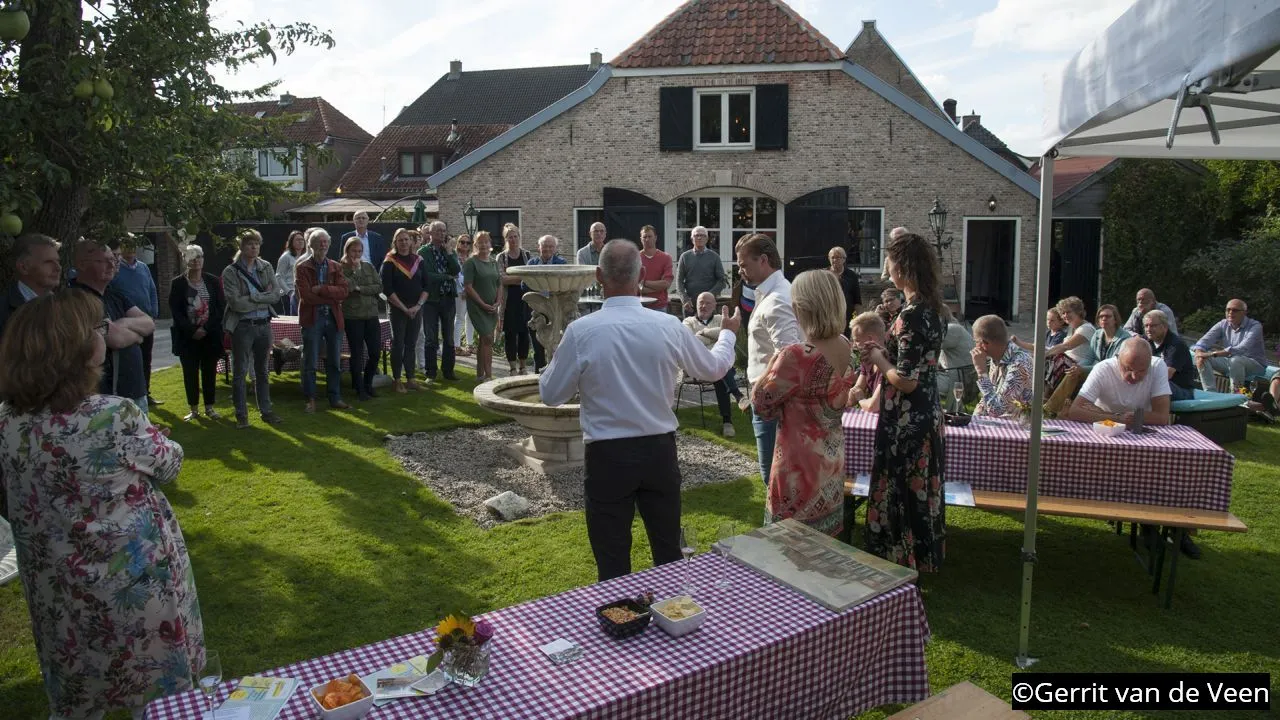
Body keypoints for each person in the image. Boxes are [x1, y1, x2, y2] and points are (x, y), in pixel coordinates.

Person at [0, 290, 203, 720]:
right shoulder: (114, 416)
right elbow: (169, 463)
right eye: (97, 327)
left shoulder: (6, 422)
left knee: (78, 698)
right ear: (74, 347)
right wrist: (155, 439)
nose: (105, 333)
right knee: (160, 698)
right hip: (132, 584)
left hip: (56, 587)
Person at [539, 239, 741, 581]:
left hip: (608, 455)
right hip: (658, 451)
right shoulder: (667, 326)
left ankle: (622, 627)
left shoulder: (581, 332)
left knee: (613, 560)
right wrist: (728, 336)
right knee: (668, 554)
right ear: (642, 274)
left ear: (598, 276)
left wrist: (556, 361)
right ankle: (673, 624)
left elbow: (550, 393)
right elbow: (713, 369)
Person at [863, 232, 948, 571]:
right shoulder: (934, 308)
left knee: (903, 490)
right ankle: (918, 558)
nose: (886, 266)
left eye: (889, 260)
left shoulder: (912, 314)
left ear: (902, 266)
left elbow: (907, 380)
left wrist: (877, 359)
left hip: (907, 418)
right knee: (920, 490)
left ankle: (900, 559)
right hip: (927, 411)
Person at [751, 270, 855, 536]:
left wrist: (773, 361)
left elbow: (761, 404)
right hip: (830, 465)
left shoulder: (796, 355)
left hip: (797, 471)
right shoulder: (845, 345)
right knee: (825, 552)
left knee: (787, 553)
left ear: (798, 308)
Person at [736, 233, 802, 487]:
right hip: (769, 398)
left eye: (743, 264)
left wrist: (757, 391)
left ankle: (784, 527)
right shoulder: (770, 293)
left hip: (772, 402)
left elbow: (789, 357)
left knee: (774, 480)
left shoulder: (777, 299)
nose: (740, 270)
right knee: (776, 479)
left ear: (763, 260)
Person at [71, 239, 155, 415]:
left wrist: (121, 324)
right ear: (81, 264)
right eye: (103, 260)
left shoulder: (114, 294)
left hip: (135, 390)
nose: (112, 265)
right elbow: (115, 339)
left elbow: (148, 324)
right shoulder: (76, 299)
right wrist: (136, 335)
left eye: (114, 259)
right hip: (104, 396)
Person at [221, 229, 284, 429]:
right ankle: (242, 416)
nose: (254, 247)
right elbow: (235, 304)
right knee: (239, 373)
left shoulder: (265, 266)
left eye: (257, 243)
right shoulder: (230, 272)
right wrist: (260, 297)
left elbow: (275, 295)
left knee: (263, 371)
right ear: (242, 246)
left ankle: (266, 411)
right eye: (250, 244)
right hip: (243, 327)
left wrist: (252, 297)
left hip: (264, 325)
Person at [295, 228, 350, 412]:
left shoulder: (336, 266)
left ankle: (335, 398)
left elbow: (344, 292)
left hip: (334, 319)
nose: (323, 245)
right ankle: (310, 399)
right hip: (312, 319)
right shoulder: (302, 267)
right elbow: (307, 297)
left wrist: (323, 289)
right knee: (310, 362)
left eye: (325, 242)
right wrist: (331, 295)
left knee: (334, 361)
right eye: (319, 242)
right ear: (310, 245)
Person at [169, 244, 226, 421]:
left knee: (209, 372)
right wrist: (192, 330)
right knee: (190, 373)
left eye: (199, 256)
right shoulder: (178, 283)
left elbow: (220, 308)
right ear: (185, 259)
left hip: (210, 335)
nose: (196, 260)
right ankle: (194, 409)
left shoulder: (213, 281)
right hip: (188, 337)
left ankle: (210, 407)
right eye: (192, 257)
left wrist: (206, 328)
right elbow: (176, 311)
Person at [109, 236, 162, 407]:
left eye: (134, 246)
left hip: (145, 321)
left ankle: (146, 392)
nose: (131, 249)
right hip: (127, 325)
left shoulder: (143, 267)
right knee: (131, 359)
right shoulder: (116, 269)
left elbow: (152, 290)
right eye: (127, 246)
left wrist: (153, 312)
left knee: (146, 360)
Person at [1067, 337, 1171, 425]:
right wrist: (1119, 418)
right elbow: (1075, 411)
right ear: (1117, 359)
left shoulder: (1157, 366)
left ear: (1150, 362)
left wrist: (1105, 415)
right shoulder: (1103, 369)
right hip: (1106, 430)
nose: (1134, 376)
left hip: (1139, 432)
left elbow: (1163, 417)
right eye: (1129, 369)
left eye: (1142, 371)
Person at [683, 291, 745, 436]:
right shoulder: (688, 322)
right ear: (695, 304)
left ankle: (727, 421)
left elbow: (731, 332)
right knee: (719, 369)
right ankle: (736, 399)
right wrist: (715, 334)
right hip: (699, 367)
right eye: (700, 302)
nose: (703, 306)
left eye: (708, 303)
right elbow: (690, 341)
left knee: (720, 370)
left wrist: (702, 333)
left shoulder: (720, 318)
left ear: (715, 305)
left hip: (721, 366)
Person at [381, 228, 428, 392]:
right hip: (398, 309)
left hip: (416, 308)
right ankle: (397, 379)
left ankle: (411, 378)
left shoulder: (419, 260)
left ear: (411, 241)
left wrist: (418, 306)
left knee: (411, 344)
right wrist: (403, 307)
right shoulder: (389, 261)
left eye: (406, 239)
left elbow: (426, 286)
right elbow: (387, 288)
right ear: (395, 242)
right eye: (400, 240)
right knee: (398, 344)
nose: (404, 243)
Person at [416, 221, 461, 382]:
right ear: (430, 233)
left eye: (444, 231)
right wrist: (447, 277)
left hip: (448, 297)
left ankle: (448, 371)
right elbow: (427, 275)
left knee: (449, 336)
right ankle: (431, 372)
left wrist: (449, 253)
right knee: (431, 337)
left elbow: (456, 270)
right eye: (438, 231)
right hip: (431, 300)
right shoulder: (424, 252)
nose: (442, 234)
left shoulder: (449, 250)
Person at [1193, 299, 1267, 392]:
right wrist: (1199, 353)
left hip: (1255, 365)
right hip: (1230, 360)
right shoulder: (1223, 324)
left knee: (1236, 360)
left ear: (1244, 313)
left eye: (1235, 310)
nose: (1230, 312)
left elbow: (1241, 349)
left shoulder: (1255, 326)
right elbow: (1203, 342)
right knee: (1202, 358)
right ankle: (1211, 393)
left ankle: (1236, 396)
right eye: (1228, 310)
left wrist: (1211, 354)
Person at [340, 237, 382, 401]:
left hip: (371, 314)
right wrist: (355, 273)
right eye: (353, 251)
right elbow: (347, 287)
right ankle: (359, 388)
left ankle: (368, 383)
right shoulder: (341, 268)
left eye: (359, 251)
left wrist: (360, 288)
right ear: (347, 251)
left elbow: (379, 286)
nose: (356, 254)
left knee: (374, 353)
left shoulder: (369, 266)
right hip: (353, 316)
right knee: (357, 354)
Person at [970, 314, 1034, 418]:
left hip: (1015, 428)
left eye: (976, 342)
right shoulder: (997, 357)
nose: (975, 346)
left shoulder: (1019, 365)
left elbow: (996, 410)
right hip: (994, 424)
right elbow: (988, 398)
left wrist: (981, 372)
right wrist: (974, 418)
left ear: (984, 343)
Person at [0, 233, 61, 340]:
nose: (58, 268)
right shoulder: (3, 311)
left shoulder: (66, 307)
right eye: (48, 262)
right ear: (24, 267)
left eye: (58, 261)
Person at [1043, 296, 1097, 415]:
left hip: (1080, 364)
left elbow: (1066, 346)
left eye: (1068, 312)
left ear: (1078, 312)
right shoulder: (1072, 328)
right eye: (1063, 313)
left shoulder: (1086, 328)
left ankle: (1047, 403)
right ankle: (1040, 398)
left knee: (1056, 358)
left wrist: (1044, 355)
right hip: (1067, 361)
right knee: (1050, 360)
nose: (1065, 315)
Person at [526, 234, 567, 372]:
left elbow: (565, 285)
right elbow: (523, 284)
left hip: (555, 308)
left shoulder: (561, 264)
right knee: (538, 345)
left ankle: (557, 373)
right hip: (538, 308)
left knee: (556, 344)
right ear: (539, 247)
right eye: (544, 246)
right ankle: (537, 376)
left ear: (555, 248)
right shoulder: (532, 264)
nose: (547, 249)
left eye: (551, 246)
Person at [463, 231, 501, 383]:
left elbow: (499, 284)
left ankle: (479, 374)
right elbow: (468, 287)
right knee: (487, 338)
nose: (484, 245)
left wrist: (498, 302)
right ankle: (489, 375)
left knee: (484, 340)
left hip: (492, 307)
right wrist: (482, 304)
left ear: (490, 244)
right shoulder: (470, 263)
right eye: (480, 242)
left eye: (486, 242)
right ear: (475, 245)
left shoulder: (493, 262)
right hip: (478, 307)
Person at [497, 223, 534, 374]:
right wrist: (522, 278)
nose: (513, 239)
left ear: (519, 237)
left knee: (525, 333)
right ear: (505, 239)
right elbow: (502, 279)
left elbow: (532, 277)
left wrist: (513, 277)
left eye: (515, 236)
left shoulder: (527, 255)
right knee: (510, 334)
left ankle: (523, 366)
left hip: (525, 300)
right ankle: (512, 367)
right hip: (509, 301)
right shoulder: (501, 257)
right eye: (509, 237)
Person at [1144, 309, 1195, 401]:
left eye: (1153, 326)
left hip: (1182, 391)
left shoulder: (1176, 345)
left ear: (1165, 326)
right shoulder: (1146, 342)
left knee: (1152, 385)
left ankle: (1145, 415)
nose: (1148, 329)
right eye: (1146, 326)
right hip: (1158, 384)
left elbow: (1167, 374)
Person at [676, 225, 727, 317]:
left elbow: (722, 280)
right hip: (690, 303)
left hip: (708, 304)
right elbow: (679, 281)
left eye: (702, 235)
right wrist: (684, 299)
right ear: (692, 239)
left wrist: (709, 295)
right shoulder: (685, 257)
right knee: (689, 329)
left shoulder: (714, 257)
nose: (699, 237)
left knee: (708, 330)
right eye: (696, 235)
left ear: (707, 239)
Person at [849, 311, 886, 413]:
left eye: (857, 340)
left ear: (870, 339)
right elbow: (853, 396)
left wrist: (860, 398)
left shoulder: (888, 363)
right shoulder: (867, 359)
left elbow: (873, 407)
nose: (854, 345)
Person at [938, 316, 977, 409]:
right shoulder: (958, 328)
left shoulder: (951, 330)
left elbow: (926, 347)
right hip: (966, 379)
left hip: (958, 382)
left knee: (915, 379)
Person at [638, 224, 674, 312]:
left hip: (659, 306)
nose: (647, 239)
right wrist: (656, 288)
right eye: (644, 237)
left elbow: (666, 284)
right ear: (641, 239)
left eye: (650, 236)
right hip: (639, 307)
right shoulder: (634, 258)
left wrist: (644, 283)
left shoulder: (666, 258)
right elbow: (631, 285)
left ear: (655, 238)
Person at [828, 246, 862, 336]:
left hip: (846, 317)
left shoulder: (852, 276)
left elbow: (857, 300)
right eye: (833, 257)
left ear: (844, 259)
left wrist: (858, 320)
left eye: (838, 257)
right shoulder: (824, 275)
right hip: (828, 316)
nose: (835, 260)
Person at [452, 234, 475, 357]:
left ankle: (470, 344)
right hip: (459, 291)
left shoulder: (471, 258)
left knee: (470, 317)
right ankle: (456, 346)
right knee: (459, 317)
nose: (465, 244)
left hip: (470, 290)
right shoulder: (454, 257)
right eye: (462, 242)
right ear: (458, 243)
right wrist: (463, 289)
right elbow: (456, 275)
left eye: (468, 243)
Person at [276, 230, 307, 314]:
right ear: (291, 242)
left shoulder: (306, 257)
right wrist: (289, 292)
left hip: (303, 293)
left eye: (302, 239)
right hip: (289, 293)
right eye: (297, 240)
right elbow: (278, 276)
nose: (300, 241)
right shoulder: (286, 256)